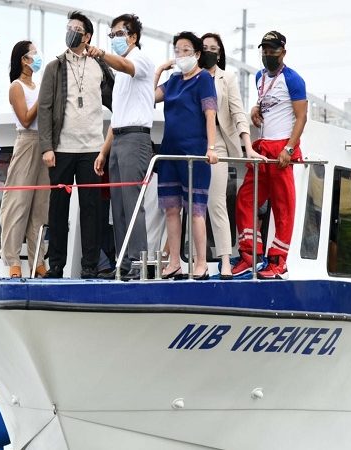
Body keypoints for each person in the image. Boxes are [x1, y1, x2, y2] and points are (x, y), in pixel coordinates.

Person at [38, 11, 114, 279]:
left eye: (76, 28)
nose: (71, 31)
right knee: (58, 208)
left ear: (88, 36)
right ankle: (56, 263)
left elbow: (118, 99)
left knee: (92, 210)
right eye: (68, 27)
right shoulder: (54, 67)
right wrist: (46, 146)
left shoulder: (100, 66)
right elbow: (45, 110)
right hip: (61, 149)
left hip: (92, 149)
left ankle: (90, 265)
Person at [231, 30, 307, 280]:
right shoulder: (259, 77)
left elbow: (301, 116)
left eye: (272, 50)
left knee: (283, 207)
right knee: (246, 198)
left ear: (283, 52)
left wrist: (289, 148)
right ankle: (249, 254)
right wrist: (255, 108)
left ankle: (278, 261)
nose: (267, 54)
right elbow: (267, 102)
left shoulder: (294, 79)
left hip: (282, 149)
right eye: (264, 49)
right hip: (263, 148)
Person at [88, 13, 154, 281]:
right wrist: (104, 151)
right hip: (119, 140)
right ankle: (124, 263)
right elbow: (117, 119)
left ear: (133, 37)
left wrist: (101, 53)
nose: (114, 38)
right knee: (119, 208)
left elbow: (126, 65)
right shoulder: (121, 73)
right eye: (111, 34)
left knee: (132, 203)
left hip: (136, 139)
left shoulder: (140, 60)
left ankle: (140, 264)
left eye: (119, 34)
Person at [154, 31, 219, 280]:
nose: (180, 55)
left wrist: (211, 148)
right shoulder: (172, 80)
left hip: (194, 154)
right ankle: (174, 263)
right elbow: (148, 98)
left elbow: (210, 114)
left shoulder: (203, 79)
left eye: (186, 51)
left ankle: (200, 263)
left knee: (196, 209)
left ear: (197, 54)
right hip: (169, 152)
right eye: (177, 50)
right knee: (171, 209)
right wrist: (159, 70)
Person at [201, 32, 265, 279]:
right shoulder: (189, 76)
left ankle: (225, 260)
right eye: (204, 47)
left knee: (215, 201)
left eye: (213, 48)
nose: (209, 51)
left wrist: (248, 147)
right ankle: (186, 261)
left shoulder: (227, 77)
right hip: (193, 141)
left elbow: (238, 113)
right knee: (187, 204)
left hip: (217, 142)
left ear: (220, 53)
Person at [0, 40, 49, 278]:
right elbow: (26, 118)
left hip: (44, 144)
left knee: (40, 207)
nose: (37, 58)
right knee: (18, 203)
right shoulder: (16, 87)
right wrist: (44, 97)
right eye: (34, 54)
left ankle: (38, 259)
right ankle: (13, 261)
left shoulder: (37, 85)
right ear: (24, 59)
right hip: (27, 141)